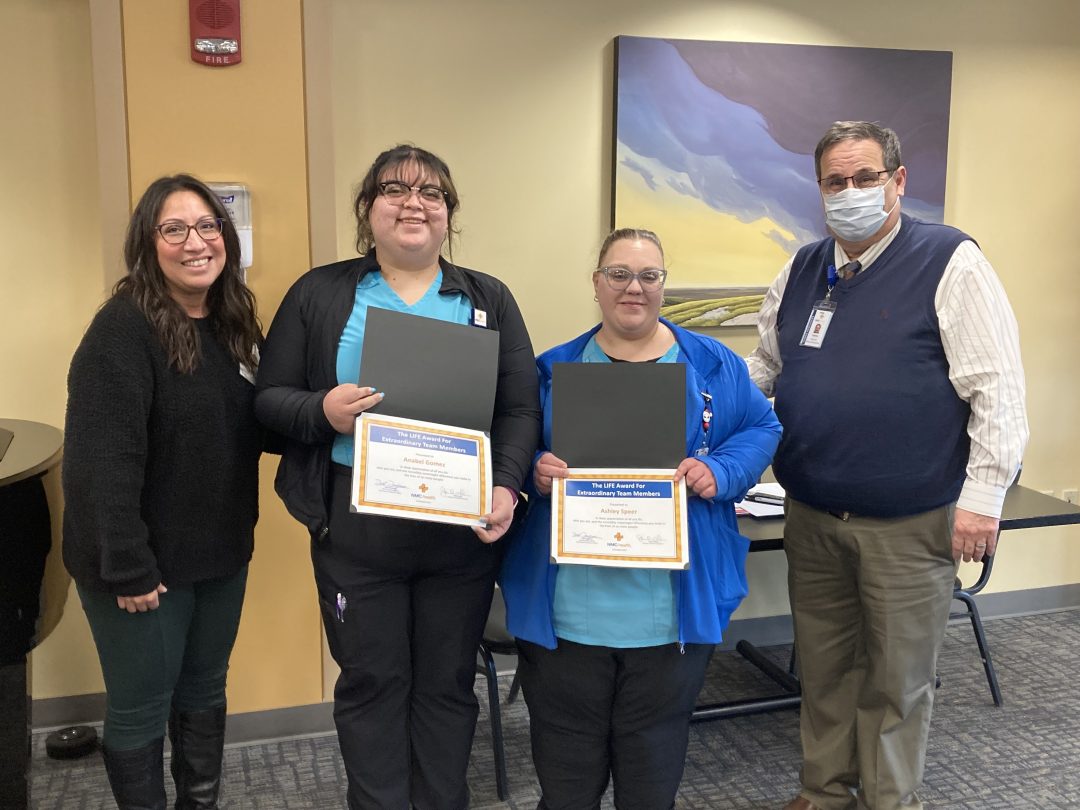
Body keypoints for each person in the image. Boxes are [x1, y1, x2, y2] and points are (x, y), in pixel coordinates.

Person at [746, 121, 1028, 810]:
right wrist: (721, 438)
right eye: (835, 182)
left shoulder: (950, 260)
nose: (850, 193)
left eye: (865, 178)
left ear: (898, 182)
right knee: (826, 668)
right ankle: (825, 791)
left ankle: (889, 800)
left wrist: (983, 500)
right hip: (812, 513)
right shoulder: (802, 268)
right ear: (819, 190)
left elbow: (998, 388)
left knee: (897, 679)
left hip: (911, 520)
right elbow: (762, 372)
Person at [254, 144, 540, 809]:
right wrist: (322, 410)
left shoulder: (487, 298)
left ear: (449, 215)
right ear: (367, 209)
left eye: (432, 193)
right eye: (394, 189)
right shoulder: (321, 293)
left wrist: (506, 484)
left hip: (459, 533)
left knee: (446, 686)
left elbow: (520, 406)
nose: (414, 202)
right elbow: (268, 399)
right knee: (372, 684)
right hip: (358, 531)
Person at [500, 228, 782, 809]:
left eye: (648, 276)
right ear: (597, 284)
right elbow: (507, 442)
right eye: (619, 274)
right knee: (566, 775)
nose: (634, 288)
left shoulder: (711, 364)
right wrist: (533, 466)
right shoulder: (552, 369)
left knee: (651, 775)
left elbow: (762, 428)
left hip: (668, 615)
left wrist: (722, 472)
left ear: (663, 286)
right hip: (567, 613)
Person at [63, 174, 264, 809]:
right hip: (141, 567)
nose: (195, 242)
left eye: (207, 226)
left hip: (219, 556)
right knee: (141, 707)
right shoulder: (122, 331)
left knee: (205, 688)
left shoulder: (231, 322)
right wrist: (126, 565)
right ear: (148, 244)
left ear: (226, 237)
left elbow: (253, 426)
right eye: (174, 229)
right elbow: (101, 462)